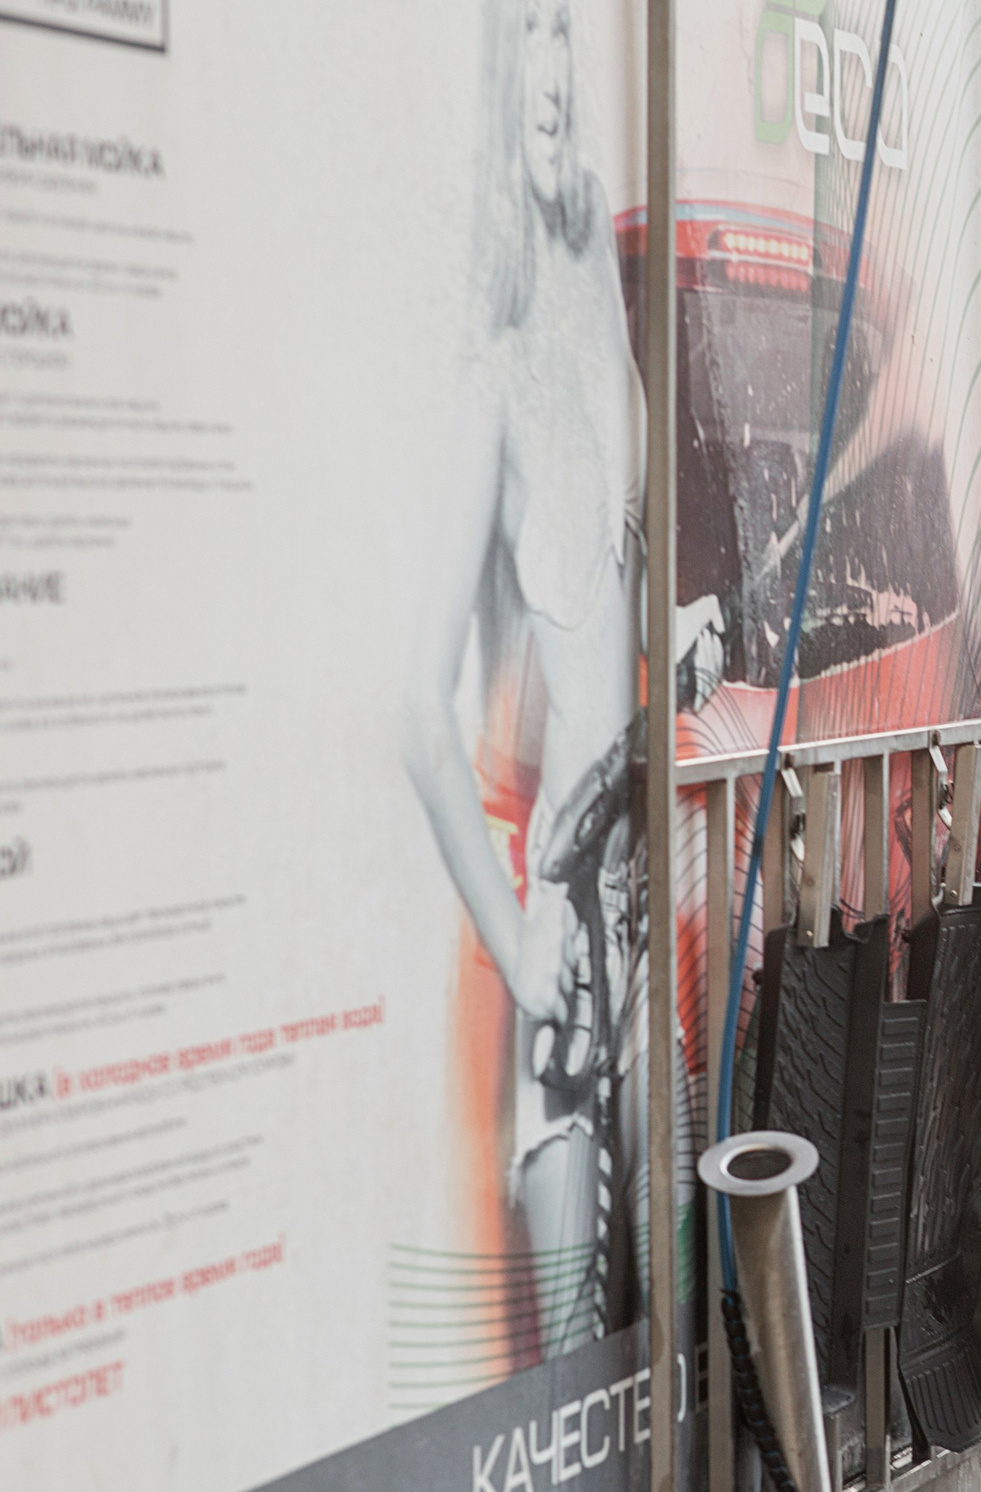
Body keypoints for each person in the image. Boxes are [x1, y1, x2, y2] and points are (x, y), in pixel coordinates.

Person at [403, 0, 718, 1362]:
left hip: (652, 901)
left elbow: (602, 611)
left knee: (678, 1340)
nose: (553, 68)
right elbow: (418, 708)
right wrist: (519, 939)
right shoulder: (488, 381)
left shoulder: (602, 326)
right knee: (580, 1373)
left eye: (562, 46)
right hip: (569, 938)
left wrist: (679, 633)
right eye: (525, 38)